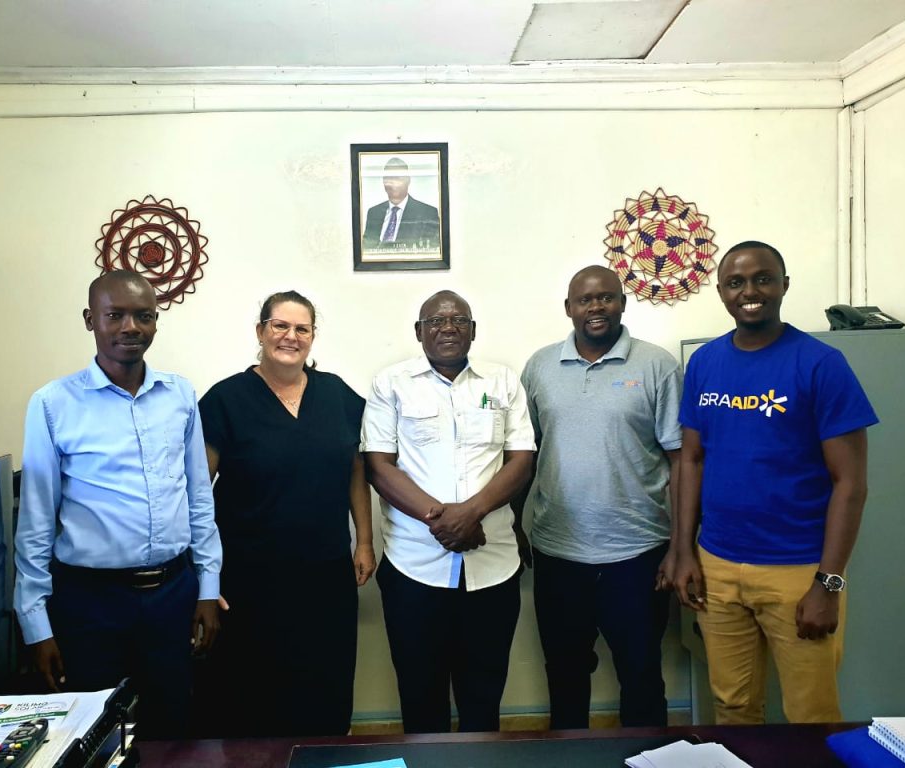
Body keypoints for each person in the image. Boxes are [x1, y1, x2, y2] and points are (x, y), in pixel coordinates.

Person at [673, 241, 877, 724]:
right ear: (721, 291)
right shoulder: (705, 363)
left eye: (763, 279)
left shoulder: (821, 364)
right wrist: (683, 551)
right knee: (733, 707)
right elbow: (691, 461)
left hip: (798, 571)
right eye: (736, 282)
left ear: (784, 285)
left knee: (811, 716)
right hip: (717, 565)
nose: (750, 291)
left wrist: (828, 583)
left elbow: (850, 483)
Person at [14, 270, 222, 740]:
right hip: (90, 601)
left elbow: (198, 498)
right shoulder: (53, 403)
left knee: (173, 729)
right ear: (91, 320)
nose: (131, 327)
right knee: (96, 734)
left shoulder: (180, 395)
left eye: (143, 316)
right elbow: (36, 522)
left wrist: (207, 588)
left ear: (155, 322)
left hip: (172, 594)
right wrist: (36, 625)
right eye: (116, 316)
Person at [195, 290, 374, 737]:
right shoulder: (225, 400)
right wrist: (202, 576)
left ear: (312, 337)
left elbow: (356, 467)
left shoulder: (335, 394)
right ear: (261, 331)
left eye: (301, 329)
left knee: (325, 691)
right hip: (249, 580)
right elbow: (196, 495)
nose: (290, 336)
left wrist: (365, 541)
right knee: (252, 699)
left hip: (325, 576)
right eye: (280, 326)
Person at [361, 290, 536, 733]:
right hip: (413, 568)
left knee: (484, 696)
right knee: (421, 698)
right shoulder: (390, 383)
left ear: (473, 330)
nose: (448, 328)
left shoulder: (503, 381)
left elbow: (522, 459)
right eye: (436, 321)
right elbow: (378, 466)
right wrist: (442, 520)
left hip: (493, 566)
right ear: (419, 332)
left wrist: (471, 513)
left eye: (458, 320)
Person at [518, 265, 682, 729]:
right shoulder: (539, 367)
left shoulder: (657, 365)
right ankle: (568, 757)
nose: (596, 307)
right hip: (558, 553)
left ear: (623, 303)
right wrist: (514, 522)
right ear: (568, 308)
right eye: (585, 299)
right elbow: (524, 455)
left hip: (638, 554)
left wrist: (680, 546)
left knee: (641, 674)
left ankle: (644, 756)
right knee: (565, 674)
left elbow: (682, 459)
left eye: (606, 297)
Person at [362, 157, 441, 251]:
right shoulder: (373, 213)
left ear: (408, 180)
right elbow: (365, 250)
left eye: (398, 178)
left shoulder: (427, 214)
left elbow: (432, 251)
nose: (393, 183)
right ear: (383, 181)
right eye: (389, 178)